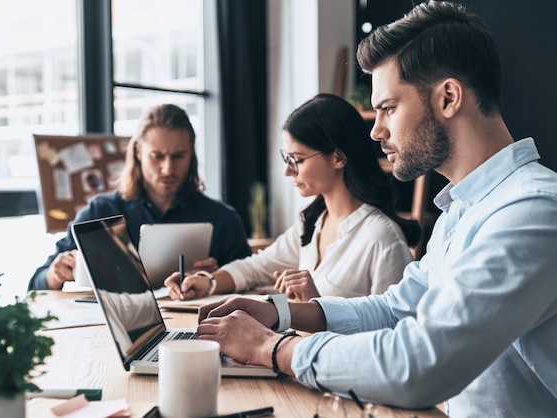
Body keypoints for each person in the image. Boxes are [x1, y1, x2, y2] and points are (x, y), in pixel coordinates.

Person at [195, 2, 557, 417]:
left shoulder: (531, 212)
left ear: (449, 98)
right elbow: (394, 309)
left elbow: (421, 364)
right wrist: (281, 313)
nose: (375, 129)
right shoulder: (463, 210)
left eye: (388, 107)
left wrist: (271, 347)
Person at [165, 94, 420, 302]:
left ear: (338, 158)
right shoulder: (312, 221)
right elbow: (257, 267)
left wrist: (315, 305)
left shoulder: (382, 239)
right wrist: (207, 283)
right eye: (286, 159)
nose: (288, 171)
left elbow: (393, 336)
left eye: (296, 160)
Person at [28, 104, 251, 290]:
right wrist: (54, 275)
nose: (168, 168)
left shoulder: (223, 219)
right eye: (157, 156)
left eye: (178, 156)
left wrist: (218, 279)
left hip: (196, 331)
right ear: (138, 153)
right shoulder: (100, 211)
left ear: (191, 154)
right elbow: (36, 284)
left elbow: (251, 283)